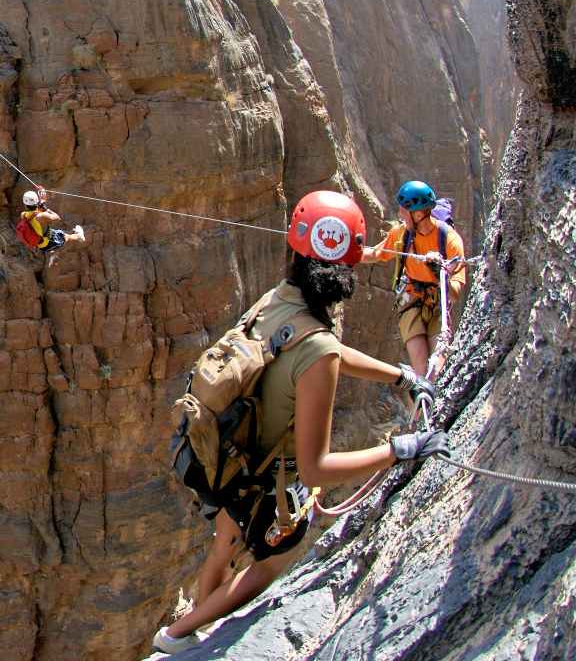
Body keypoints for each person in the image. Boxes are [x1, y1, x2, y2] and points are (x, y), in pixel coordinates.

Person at [154, 191, 449, 655]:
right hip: (265, 476)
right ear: (348, 270)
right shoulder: (319, 350)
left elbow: (324, 349)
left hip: (226, 452)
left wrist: (399, 375)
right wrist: (403, 449)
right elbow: (316, 470)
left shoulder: (279, 301)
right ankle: (177, 635)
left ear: (295, 250)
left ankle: (188, 620)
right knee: (272, 563)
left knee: (226, 540)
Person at [360, 180, 466, 377]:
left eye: (403, 211)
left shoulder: (450, 241)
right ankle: (420, 404)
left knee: (437, 372)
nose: (400, 215)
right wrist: (342, 252)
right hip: (412, 302)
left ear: (418, 214)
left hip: (438, 306)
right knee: (421, 371)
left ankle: (429, 403)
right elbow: (374, 254)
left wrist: (438, 271)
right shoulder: (402, 234)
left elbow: (454, 294)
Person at [18, 189, 84, 267]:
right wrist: (46, 209)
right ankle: (79, 236)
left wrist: (41, 204)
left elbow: (34, 213)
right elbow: (57, 218)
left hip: (40, 245)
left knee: (53, 236)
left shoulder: (24, 215)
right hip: (50, 241)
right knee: (66, 237)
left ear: (25, 205)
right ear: (37, 202)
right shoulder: (42, 216)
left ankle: (54, 254)